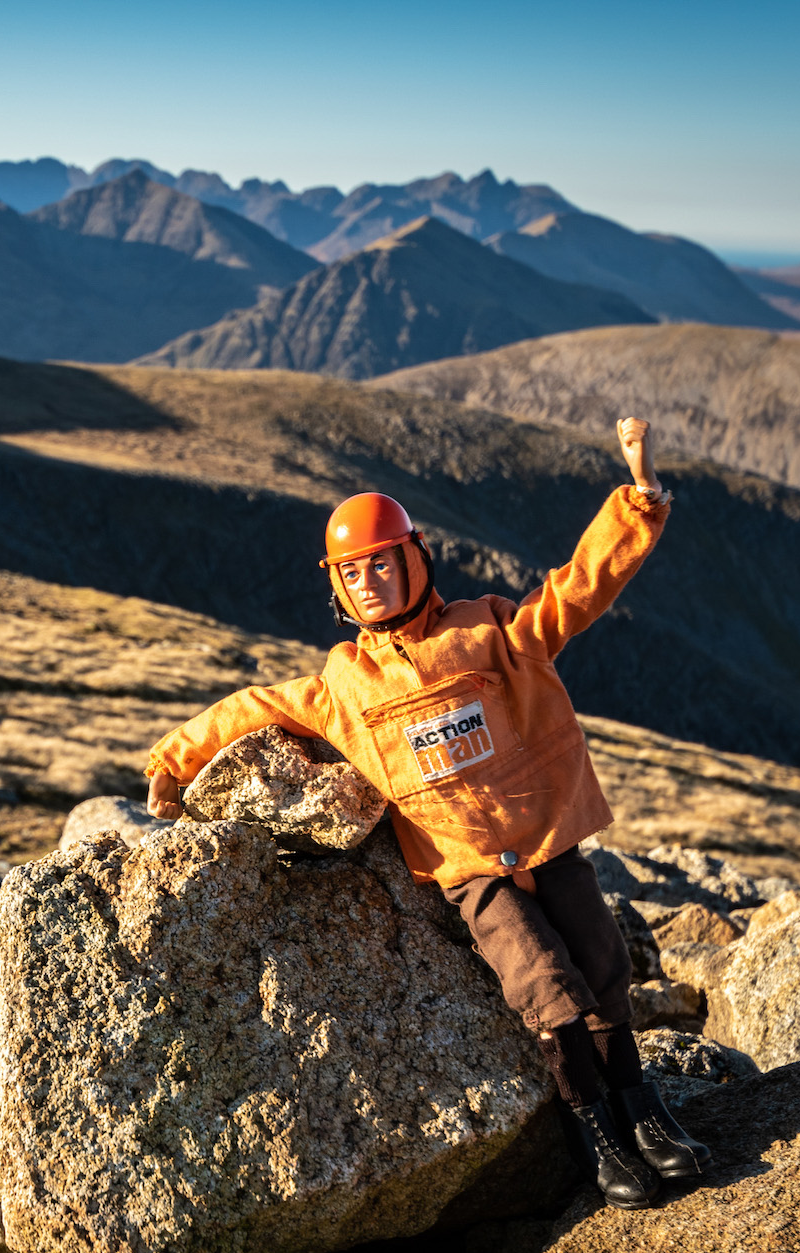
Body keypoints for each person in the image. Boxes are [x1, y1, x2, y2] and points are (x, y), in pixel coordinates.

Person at [142, 417, 708, 1210]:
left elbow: (575, 592)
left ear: (415, 559)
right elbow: (252, 706)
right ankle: (597, 1134)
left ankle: (641, 1107)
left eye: (382, 562)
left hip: (545, 840)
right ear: (337, 588)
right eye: (353, 572)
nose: (370, 581)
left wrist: (638, 501)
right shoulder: (343, 684)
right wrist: (173, 760)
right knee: (545, 986)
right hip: (471, 869)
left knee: (604, 966)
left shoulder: (487, 629)